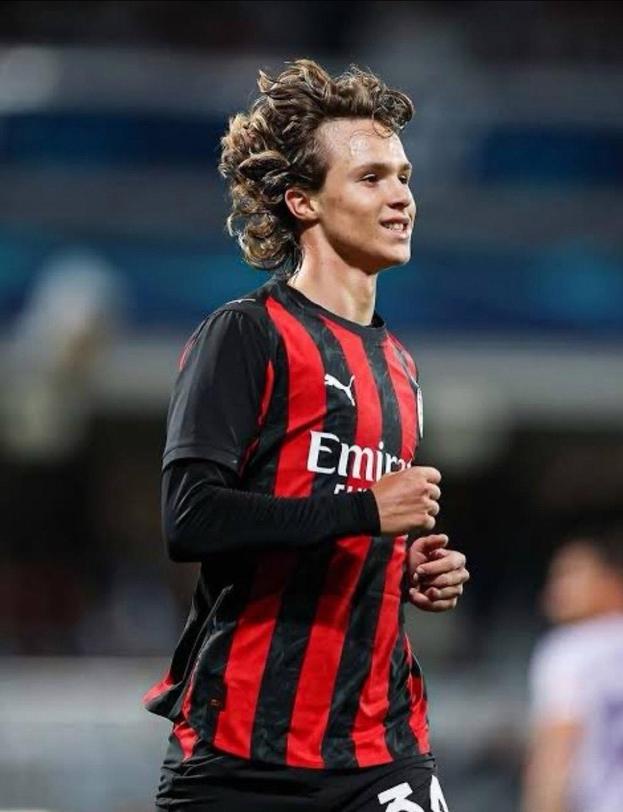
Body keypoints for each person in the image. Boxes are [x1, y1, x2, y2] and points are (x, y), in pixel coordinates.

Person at [144, 59, 470, 812]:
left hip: (380, 745)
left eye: (404, 176)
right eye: (371, 178)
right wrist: (365, 512)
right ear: (303, 201)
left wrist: (406, 564)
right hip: (242, 752)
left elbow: (339, 515)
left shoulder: (400, 365)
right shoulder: (246, 334)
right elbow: (191, 518)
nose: (401, 197)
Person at [523, 518, 623, 812]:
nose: (554, 590)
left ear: (616, 579)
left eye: (570, 574)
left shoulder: (574, 650)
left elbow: (555, 761)